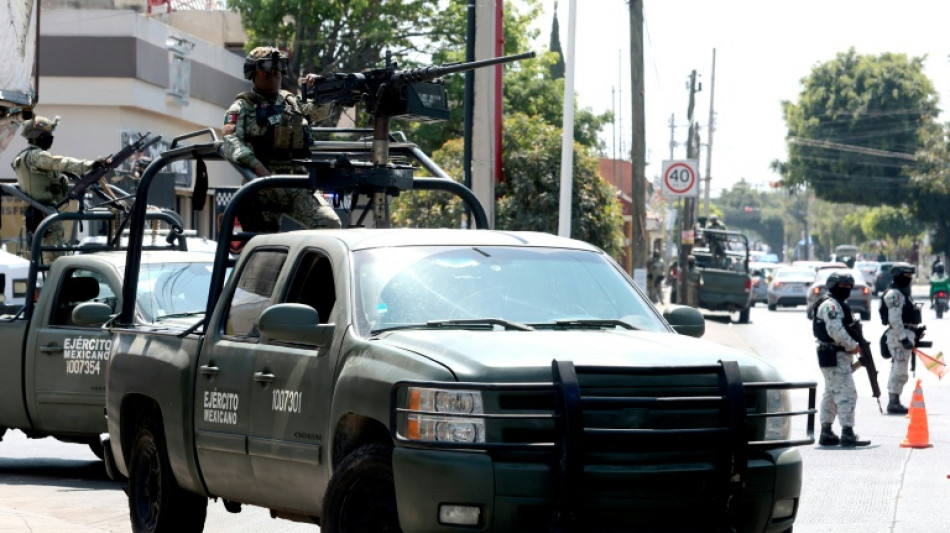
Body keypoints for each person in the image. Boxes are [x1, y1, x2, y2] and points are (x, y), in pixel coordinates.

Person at [222, 46, 341, 232]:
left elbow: (320, 111)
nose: (274, 74)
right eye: (266, 69)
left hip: (297, 183)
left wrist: (321, 88)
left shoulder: (292, 102)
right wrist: (257, 167)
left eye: (279, 69)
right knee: (264, 245)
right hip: (263, 188)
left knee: (330, 224)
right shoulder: (243, 106)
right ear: (253, 73)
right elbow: (231, 142)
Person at [11, 115, 105, 263]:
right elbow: (62, 162)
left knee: (52, 257)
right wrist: (91, 165)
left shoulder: (23, 156)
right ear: (37, 136)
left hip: (39, 211)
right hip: (44, 212)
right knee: (55, 258)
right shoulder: (37, 156)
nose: (50, 138)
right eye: (47, 135)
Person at [812, 271, 870, 447]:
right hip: (834, 354)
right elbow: (836, 331)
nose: (846, 289)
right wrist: (854, 346)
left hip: (835, 355)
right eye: (842, 286)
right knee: (847, 394)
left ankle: (827, 432)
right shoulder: (831, 305)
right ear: (832, 285)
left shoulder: (837, 304)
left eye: (848, 287)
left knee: (830, 394)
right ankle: (847, 433)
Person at [881, 262, 922, 414]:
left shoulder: (902, 292)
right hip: (898, 336)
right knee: (899, 370)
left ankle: (895, 400)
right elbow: (895, 318)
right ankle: (893, 402)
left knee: (899, 369)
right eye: (906, 276)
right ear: (898, 276)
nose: (909, 278)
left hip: (903, 334)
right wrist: (904, 338)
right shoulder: (895, 294)